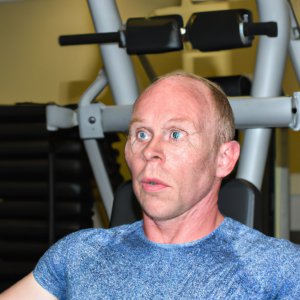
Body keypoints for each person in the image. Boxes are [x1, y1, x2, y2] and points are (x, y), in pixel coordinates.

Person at [1, 71, 300, 300]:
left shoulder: (280, 269)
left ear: (224, 159)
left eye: (176, 134)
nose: (149, 151)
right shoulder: (78, 255)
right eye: (141, 134)